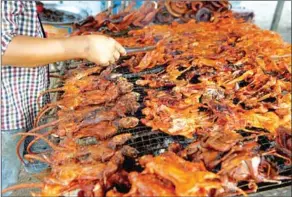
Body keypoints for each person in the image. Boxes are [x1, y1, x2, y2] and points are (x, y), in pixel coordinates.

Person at [1, 1, 126, 195]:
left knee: (38, 163)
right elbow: (3, 47)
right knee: (5, 181)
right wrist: (82, 46)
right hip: (6, 111)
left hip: (27, 97)